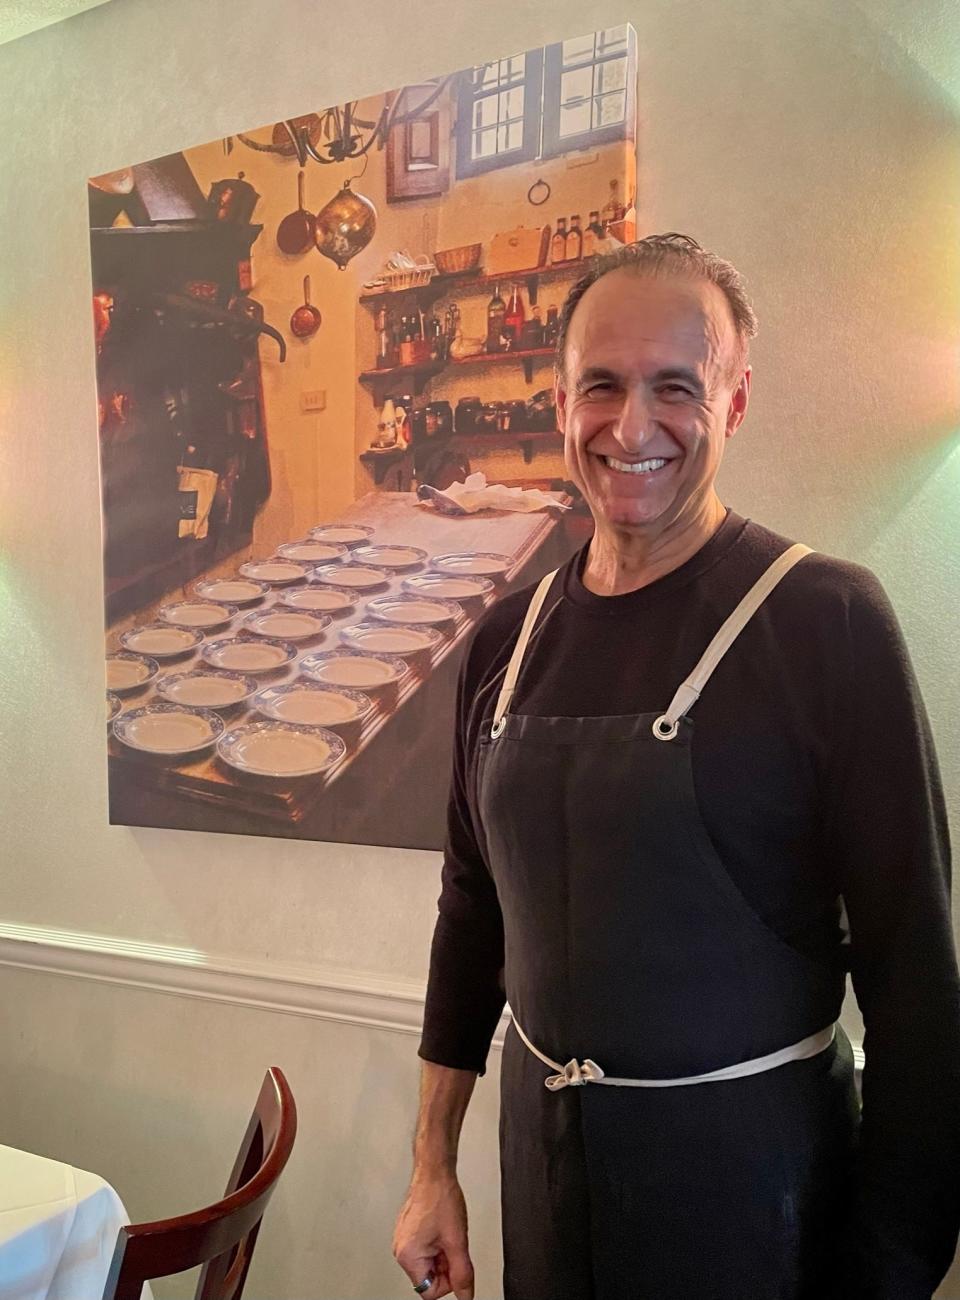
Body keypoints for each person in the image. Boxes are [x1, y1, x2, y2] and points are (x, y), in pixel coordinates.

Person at [392, 234, 960, 1300]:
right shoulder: (503, 644)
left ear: (734, 405)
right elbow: (472, 916)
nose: (631, 423)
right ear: (559, 404)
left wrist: (886, 1272)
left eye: (675, 387)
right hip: (547, 1189)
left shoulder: (827, 621)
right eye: (599, 385)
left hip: (756, 1205)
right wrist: (432, 1166)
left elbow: (919, 990)